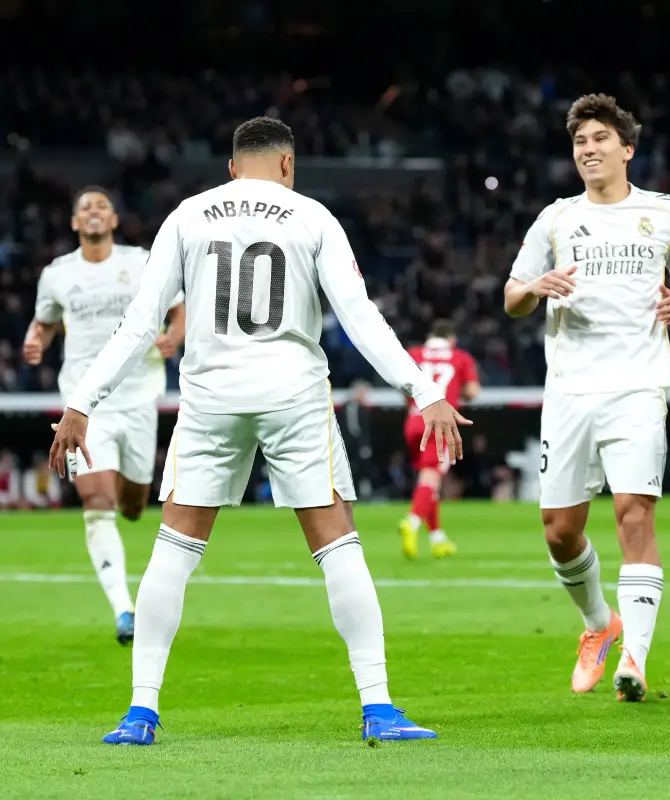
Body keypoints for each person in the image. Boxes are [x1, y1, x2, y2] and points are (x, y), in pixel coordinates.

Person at [48, 116, 469, 745]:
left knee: (175, 546)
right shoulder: (312, 216)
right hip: (293, 395)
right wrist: (425, 389)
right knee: (335, 540)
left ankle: (140, 712)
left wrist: (82, 402)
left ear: (232, 167)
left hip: (212, 398)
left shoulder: (189, 214)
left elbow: (141, 322)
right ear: (287, 166)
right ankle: (378, 706)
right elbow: (358, 316)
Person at [503, 94, 670, 703]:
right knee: (560, 530)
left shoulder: (663, 213)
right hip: (568, 389)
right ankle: (600, 623)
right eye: (579, 142)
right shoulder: (556, 218)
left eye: (598, 139)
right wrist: (534, 287)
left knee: (634, 517)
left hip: (639, 385)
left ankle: (636, 662)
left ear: (627, 148)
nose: (587, 150)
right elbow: (511, 296)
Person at [24, 186, 186, 646]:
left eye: (102, 206)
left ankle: (130, 506)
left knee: (133, 504)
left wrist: (175, 336)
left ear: (114, 220)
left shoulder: (141, 262)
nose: (93, 213)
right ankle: (124, 608)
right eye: (84, 208)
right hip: (84, 403)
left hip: (137, 396)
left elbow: (179, 311)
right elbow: (47, 320)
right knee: (97, 504)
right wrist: (37, 339)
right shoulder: (57, 274)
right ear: (75, 223)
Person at [398, 319, 480, 560]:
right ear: (451, 339)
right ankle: (411, 522)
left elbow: (403, 386)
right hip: (440, 422)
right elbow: (473, 391)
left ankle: (437, 539)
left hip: (413, 420)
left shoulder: (413, 353)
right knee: (432, 478)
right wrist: (459, 389)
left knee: (426, 480)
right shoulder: (459, 356)